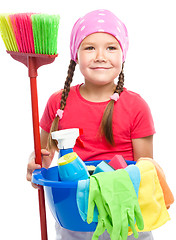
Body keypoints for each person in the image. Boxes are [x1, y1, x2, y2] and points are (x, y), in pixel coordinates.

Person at [27, 9, 155, 240]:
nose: (100, 56)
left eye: (111, 47)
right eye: (89, 47)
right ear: (76, 54)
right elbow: (44, 155)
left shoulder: (136, 106)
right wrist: (35, 164)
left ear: (123, 54)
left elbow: (144, 166)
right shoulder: (59, 102)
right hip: (75, 214)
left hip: (124, 215)